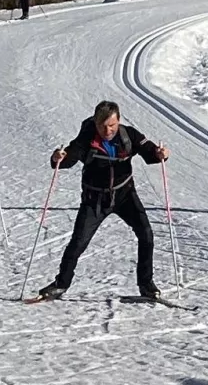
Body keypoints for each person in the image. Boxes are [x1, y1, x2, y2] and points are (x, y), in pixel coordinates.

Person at [35, 101, 169, 301]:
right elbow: (70, 156)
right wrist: (58, 158)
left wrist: (161, 154)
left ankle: (146, 285)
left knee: (146, 234)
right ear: (95, 123)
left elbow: (149, 151)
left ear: (119, 121)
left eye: (112, 125)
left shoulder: (128, 135)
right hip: (94, 199)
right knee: (78, 242)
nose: (107, 130)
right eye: (102, 126)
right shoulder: (86, 138)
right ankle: (60, 285)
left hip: (125, 195)